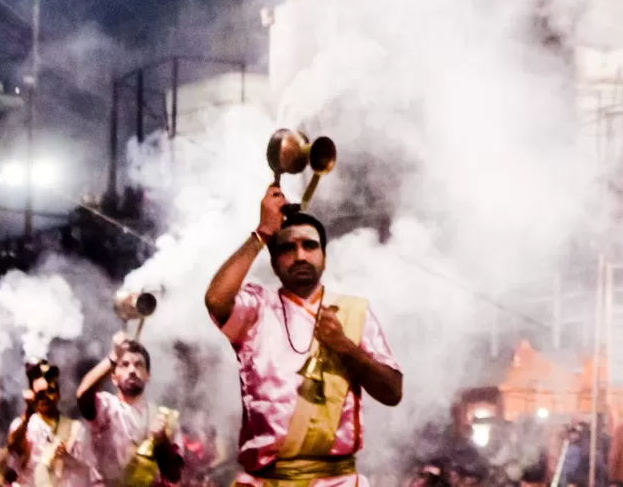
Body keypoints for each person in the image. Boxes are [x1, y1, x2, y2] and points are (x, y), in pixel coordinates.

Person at [204, 187, 402, 487]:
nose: (300, 255)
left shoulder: (354, 312)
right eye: (287, 248)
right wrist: (263, 233)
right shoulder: (256, 307)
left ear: (323, 256)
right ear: (274, 263)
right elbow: (216, 301)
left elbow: (392, 391)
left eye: (309, 246)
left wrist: (345, 347)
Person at [75, 334, 184, 487]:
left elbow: (174, 477)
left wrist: (162, 442)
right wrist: (113, 356)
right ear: (113, 377)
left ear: (147, 375)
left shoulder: (165, 418)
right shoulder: (105, 406)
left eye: (139, 365)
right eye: (124, 364)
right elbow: (83, 394)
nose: (132, 370)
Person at [5, 362, 96, 487]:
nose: (45, 397)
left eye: (51, 391)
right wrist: (29, 413)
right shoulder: (21, 425)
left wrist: (67, 458)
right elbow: (13, 449)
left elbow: (87, 470)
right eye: (41, 393)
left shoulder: (75, 428)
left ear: (58, 394)